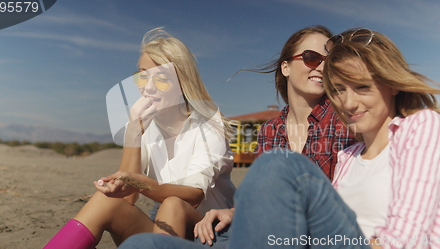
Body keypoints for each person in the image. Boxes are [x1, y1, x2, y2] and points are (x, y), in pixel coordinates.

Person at [118, 26, 356, 248]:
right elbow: (266, 202)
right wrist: (235, 211)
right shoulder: (270, 130)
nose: (323, 68)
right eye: (311, 58)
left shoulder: (346, 120)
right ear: (285, 67)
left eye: (330, 62)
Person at [225, 28, 440, 248]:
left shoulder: (421, 128)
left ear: (392, 83)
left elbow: (404, 239)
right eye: (338, 90)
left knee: (276, 162)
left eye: (362, 87)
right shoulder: (348, 157)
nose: (348, 103)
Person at [43, 28, 236, 249]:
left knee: (173, 204)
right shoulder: (145, 125)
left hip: (211, 234)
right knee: (106, 201)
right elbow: (126, 200)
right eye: (143, 76)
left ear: (182, 83)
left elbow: (193, 196)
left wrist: (139, 184)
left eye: (162, 79)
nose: (149, 87)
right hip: (167, 232)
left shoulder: (208, 128)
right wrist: (133, 131)